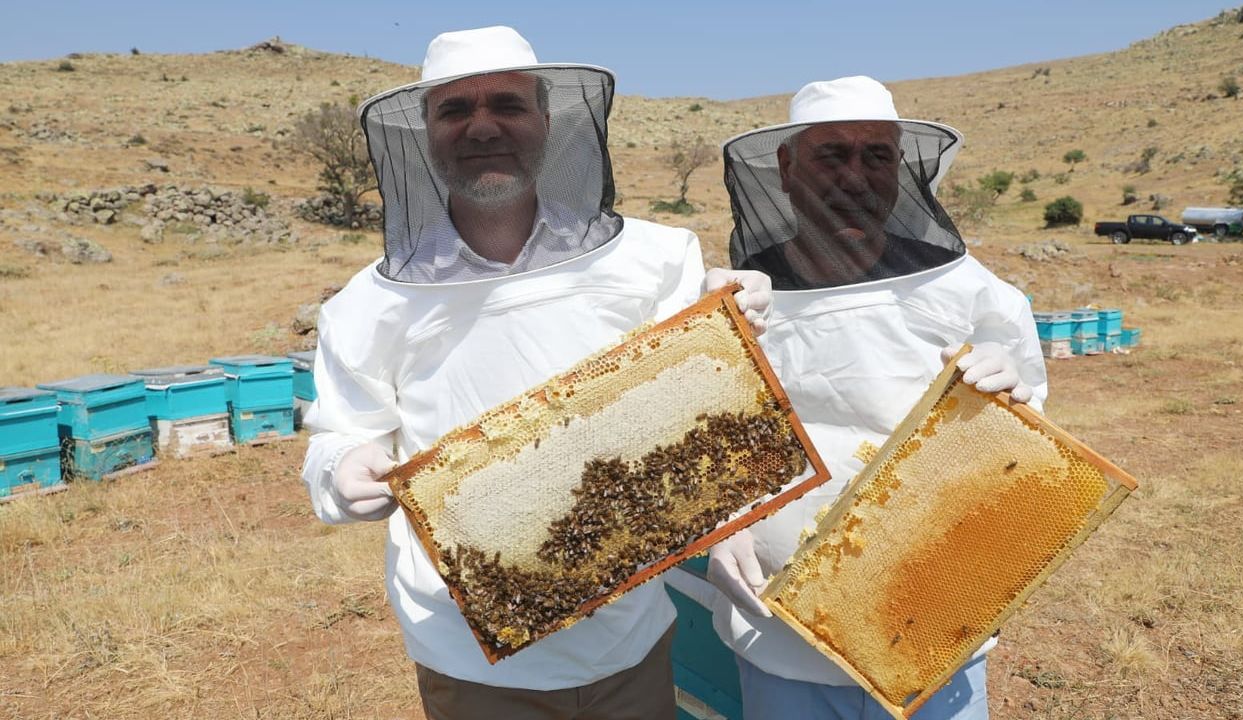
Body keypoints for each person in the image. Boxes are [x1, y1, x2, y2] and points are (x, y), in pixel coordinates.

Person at [300, 26, 769, 720]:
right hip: (466, 651)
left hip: (630, 635)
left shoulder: (655, 259)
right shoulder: (370, 305)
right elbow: (337, 438)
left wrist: (733, 324)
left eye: (508, 105)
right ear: (426, 132)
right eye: (454, 109)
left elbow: (699, 415)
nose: (482, 125)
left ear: (548, 122)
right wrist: (340, 468)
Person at [705, 76, 1048, 720]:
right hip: (777, 633)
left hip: (933, 619)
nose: (854, 176)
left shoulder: (973, 291)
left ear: (903, 167)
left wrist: (1015, 392)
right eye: (831, 154)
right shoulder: (742, 300)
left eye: (877, 155)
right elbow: (704, 433)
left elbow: (1030, 439)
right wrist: (721, 522)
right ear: (786, 167)